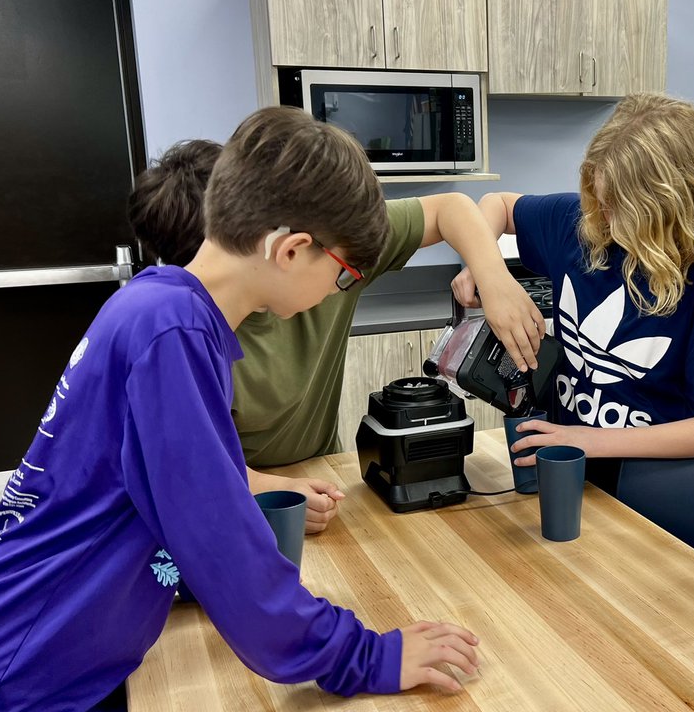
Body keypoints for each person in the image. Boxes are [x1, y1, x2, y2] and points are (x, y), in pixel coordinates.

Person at [0, 108, 481, 712]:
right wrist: (371, 656)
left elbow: (171, 506)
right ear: (291, 249)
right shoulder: (171, 333)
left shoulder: (161, 310)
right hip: (29, 686)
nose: (340, 289)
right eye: (346, 272)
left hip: (32, 647)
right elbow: (232, 561)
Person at [128, 139, 544, 533]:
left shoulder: (325, 257)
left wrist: (494, 279)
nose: (340, 283)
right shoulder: (179, 337)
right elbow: (178, 467)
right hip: (234, 504)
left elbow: (450, 207)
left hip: (324, 479)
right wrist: (259, 487)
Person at [452, 93, 694, 493]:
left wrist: (590, 440)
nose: (605, 217)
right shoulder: (580, 225)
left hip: (654, 491)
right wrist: (486, 269)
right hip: (567, 474)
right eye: (602, 200)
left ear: (668, 203)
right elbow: (498, 204)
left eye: (621, 207)